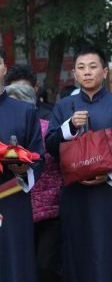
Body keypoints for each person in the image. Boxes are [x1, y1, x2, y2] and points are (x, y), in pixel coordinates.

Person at [45, 46, 112, 281]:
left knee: (111, 252)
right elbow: (51, 147)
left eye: (93, 67)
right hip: (76, 194)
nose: (87, 72)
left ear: (105, 72)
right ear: (75, 74)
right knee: (77, 253)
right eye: (81, 68)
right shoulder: (64, 107)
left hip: (110, 194)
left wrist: (111, 176)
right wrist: (70, 127)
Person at [5, 66, 63, 281]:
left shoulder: (43, 125)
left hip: (40, 211)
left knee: (40, 267)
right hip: (20, 210)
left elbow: (49, 162)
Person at [0, 47, 45, 282]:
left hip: (13, 199)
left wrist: (23, 170)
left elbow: (39, 156)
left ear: (4, 69)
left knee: (16, 266)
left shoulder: (24, 111)